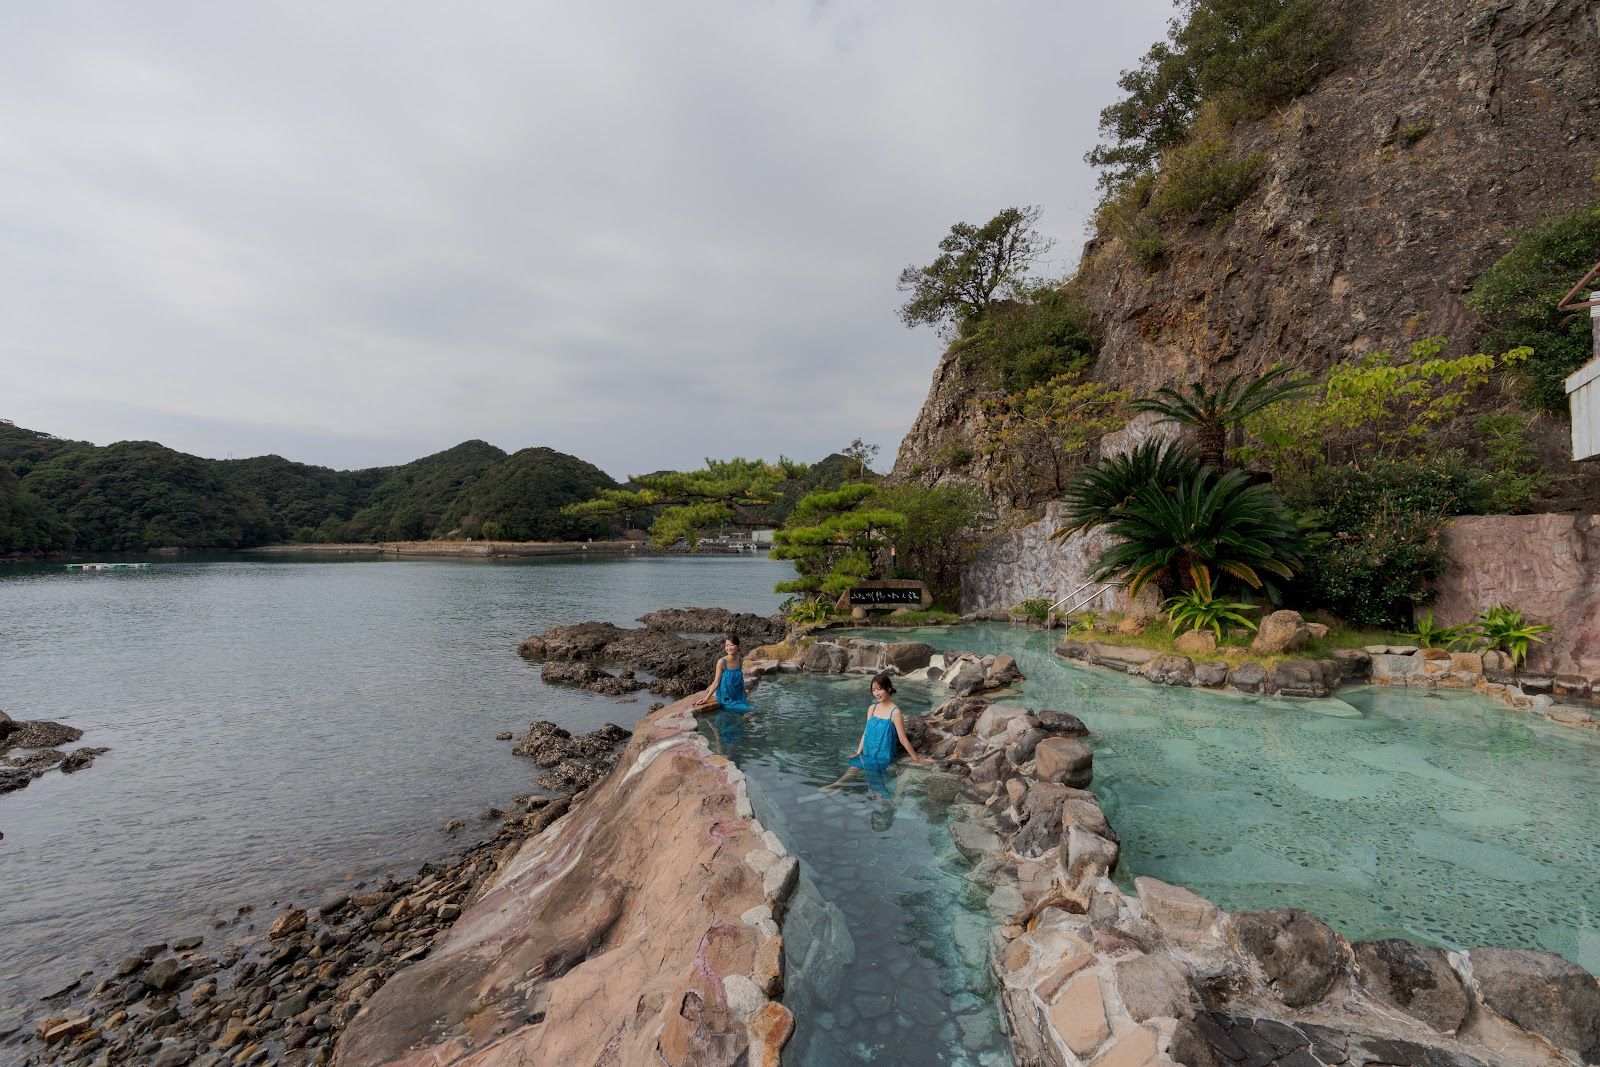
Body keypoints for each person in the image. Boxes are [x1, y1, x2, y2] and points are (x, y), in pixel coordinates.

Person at [823, 672, 930, 797]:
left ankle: (839, 785)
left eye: (879, 689)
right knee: (855, 767)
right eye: (873, 690)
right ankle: (838, 785)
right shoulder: (872, 708)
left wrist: (916, 759)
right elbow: (866, 732)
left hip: (883, 754)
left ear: (888, 689)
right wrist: (858, 752)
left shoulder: (895, 712)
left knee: (870, 775)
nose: (876, 693)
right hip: (868, 750)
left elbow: (903, 739)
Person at [691, 635, 752, 713]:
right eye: (727, 645)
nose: (729, 648)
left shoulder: (740, 660)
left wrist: (743, 691)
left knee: (746, 713)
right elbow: (716, 682)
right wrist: (706, 699)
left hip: (738, 694)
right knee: (751, 711)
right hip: (726, 698)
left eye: (731, 645)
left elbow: (739, 679)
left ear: (738, 646)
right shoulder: (722, 662)